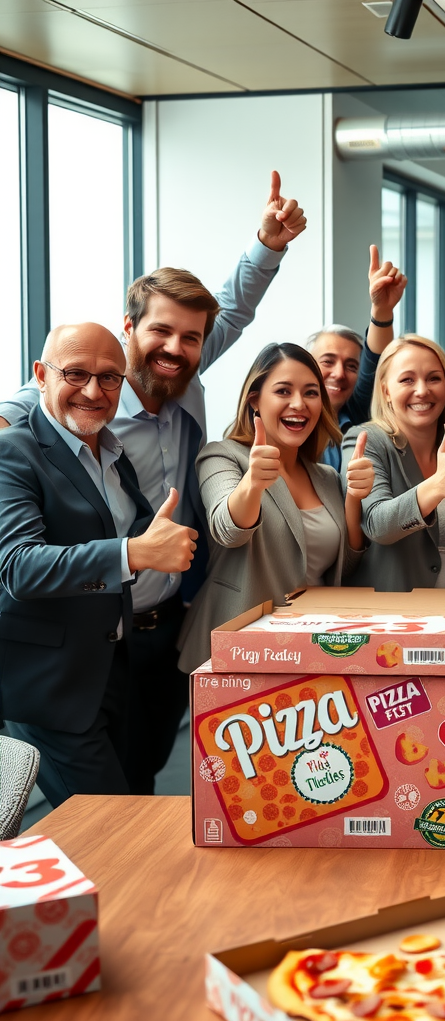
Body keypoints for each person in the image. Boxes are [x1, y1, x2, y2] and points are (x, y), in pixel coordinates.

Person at [0, 170, 306, 795]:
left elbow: (234, 307)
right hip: (78, 637)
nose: (174, 346)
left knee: (141, 785)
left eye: (189, 338)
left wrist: (268, 246)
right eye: (159, 331)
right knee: (101, 806)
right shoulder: (74, 405)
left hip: (160, 627)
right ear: (129, 329)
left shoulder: (181, 377)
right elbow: (43, 399)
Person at [0, 324, 197, 806]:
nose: (93, 390)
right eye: (76, 374)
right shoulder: (12, 452)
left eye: (109, 378)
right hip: (53, 686)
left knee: (129, 807)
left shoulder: (111, 451)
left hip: (112, 669)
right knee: (114, 826)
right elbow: (20, 568)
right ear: (40, 376)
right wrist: (135, 553)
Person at [177, 344, 372, 673]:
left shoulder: (325, 476)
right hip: (237, 650)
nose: (299, 404)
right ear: (255, 399)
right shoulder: (222, 456)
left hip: (312, 648)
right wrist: (252, 483)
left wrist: (353, 497)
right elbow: (227, 529)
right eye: (283, 390)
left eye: (311, 392)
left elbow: (345, 567)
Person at [339, 335, 445, 591]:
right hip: (393, 614)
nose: (423, 390)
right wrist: (435, 487)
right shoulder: (366, 441)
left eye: (434, 378)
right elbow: (377, 525)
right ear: (386, 391)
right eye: (407, 379)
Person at [311, 245, 408, 468]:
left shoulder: (357, 416)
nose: (338, 374)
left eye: (352, 366)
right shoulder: (285, 421)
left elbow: (375, 361)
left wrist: (381, 311)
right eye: (327, 361)